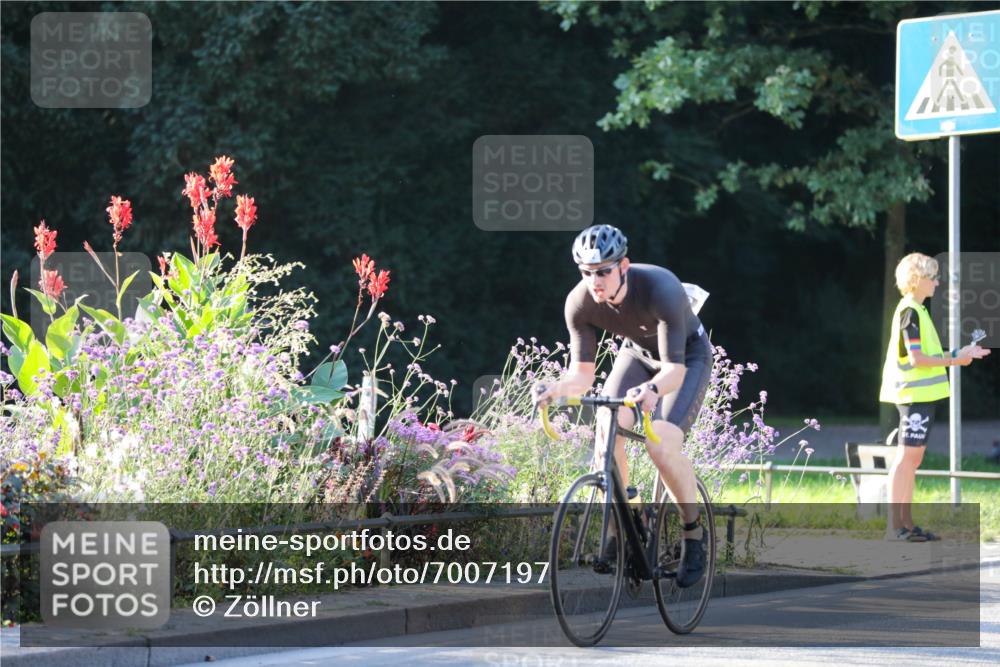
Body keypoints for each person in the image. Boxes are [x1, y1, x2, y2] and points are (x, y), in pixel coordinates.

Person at [532, 224, 712, 587]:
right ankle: (626, 522)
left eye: (603, 272)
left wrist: (652, 389)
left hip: (685, 360)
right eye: (586, 273)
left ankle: (694, 534)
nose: (594, 281)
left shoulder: (660, 288)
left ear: (623, 266)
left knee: (659, 442)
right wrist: (555, 390)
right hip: (637, 355)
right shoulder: (579, 303)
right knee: (605, 425)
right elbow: (581, 377)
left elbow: (673, 370)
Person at [879, 252, 990, 542]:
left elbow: (927, 355)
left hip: (921, 397)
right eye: (932, 277)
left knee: (912, 461)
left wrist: (959, 354)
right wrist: (954, 361)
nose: (937, 283)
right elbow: (917, 359)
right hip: (913, 396)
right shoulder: (910, 312)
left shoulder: (918, 311)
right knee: (906, 460)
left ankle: (906, 525)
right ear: (916, 280)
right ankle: (895, 528)